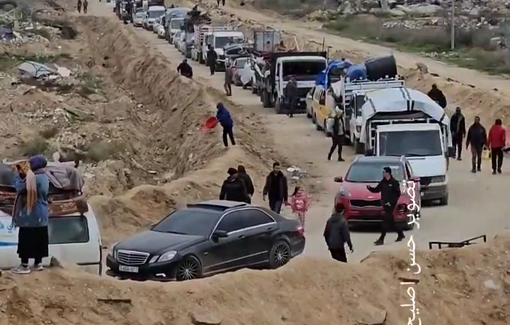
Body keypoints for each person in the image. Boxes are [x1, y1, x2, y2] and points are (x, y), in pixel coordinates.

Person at [11, 156, 49, 274]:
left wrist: (17, 177)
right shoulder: (44, 176)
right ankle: (38, 263)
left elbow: (20, 188)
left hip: (31, 213)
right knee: (40, 238)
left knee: (26, 238)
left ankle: (24, 266)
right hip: (42, 214)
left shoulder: (33, 177)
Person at [367, 167, 405, 246]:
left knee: (385, 222)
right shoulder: (383, 182)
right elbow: (377, 189)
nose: (383, 174)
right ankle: (400, 233)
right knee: (391, 221)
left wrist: (391, 202)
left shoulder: (394, 182)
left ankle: (381, 239)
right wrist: (370, 188)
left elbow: (397, 194)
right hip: (385, 203)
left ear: (388, 173)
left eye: (384, 172)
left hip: (391, 205)